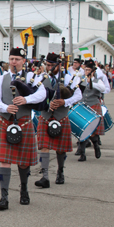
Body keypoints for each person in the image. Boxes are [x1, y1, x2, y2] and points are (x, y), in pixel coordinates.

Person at [0, 47, 46, 210]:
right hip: (4, 122)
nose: (13, 62)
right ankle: (4, 196)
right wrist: (5, 108)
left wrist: (26, 99)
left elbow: (42, 94)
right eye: (11, 59)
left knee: (23, 162)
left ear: (24, 61)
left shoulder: (31, 77)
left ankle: (24, 189)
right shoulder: (1, 79)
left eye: (17, 59)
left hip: (23, 122)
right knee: (5, 160)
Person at [33, 52, 82, 187]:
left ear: (58, 65)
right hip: (46, 116)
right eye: (47, 65)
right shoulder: (41, 78)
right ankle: (45, 176)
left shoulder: (68, 78)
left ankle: (60, 171)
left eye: (51, 65)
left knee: (61, 149)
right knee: (44, 146)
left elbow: (78, 96)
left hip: (61, 117)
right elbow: (36, 94)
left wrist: (64, 102)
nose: (48, 67)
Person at [77, 59, 106, 162]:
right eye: (85, 70)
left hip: (94, 105)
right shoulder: (81, 80)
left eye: (88, 70)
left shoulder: (98, 81)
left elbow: (103, 89)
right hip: (83, 106)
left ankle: (96, 145)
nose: (86, 72)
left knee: (92, 131)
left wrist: (91, 83)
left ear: (93, 71)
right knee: (82, 130)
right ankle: (82, 154)